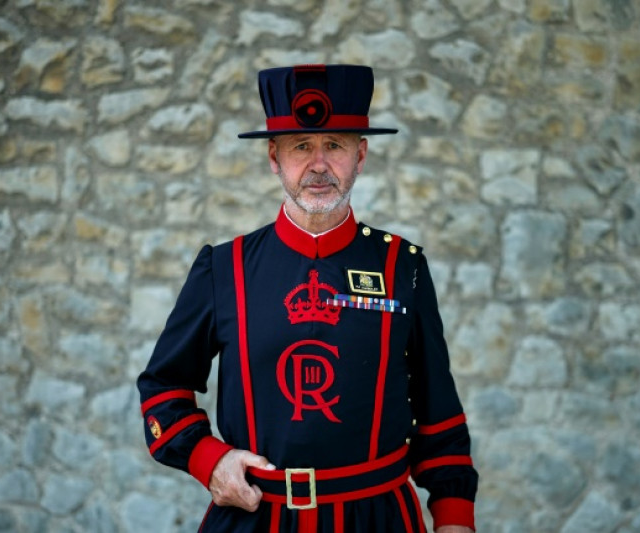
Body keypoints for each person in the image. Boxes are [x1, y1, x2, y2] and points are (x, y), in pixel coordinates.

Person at [137, 64, 478, 532]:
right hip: (258, 518)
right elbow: (163, 387)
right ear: (274, 157)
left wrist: (455, 518)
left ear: (361, 155)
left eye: (334, 145)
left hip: (377, 518)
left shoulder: (403, 267)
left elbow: (438, 411)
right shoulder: (224, 269)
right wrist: (208, 460)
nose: (319, 164)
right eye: (301, 147)